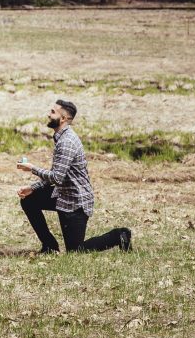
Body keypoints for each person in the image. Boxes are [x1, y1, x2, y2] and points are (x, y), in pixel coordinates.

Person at [17, 99, 131, 254]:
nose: (48, 115)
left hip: (76, 202)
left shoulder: (67, 142)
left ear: (63, 119)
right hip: (62, 195)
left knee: (76, 251)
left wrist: (32, 169)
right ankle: (49, 247)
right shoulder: (60, 137)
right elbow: (57, 173)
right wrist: (32, 187)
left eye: (52, 112)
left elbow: (56, 177)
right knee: (29, 200)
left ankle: (119, 235)